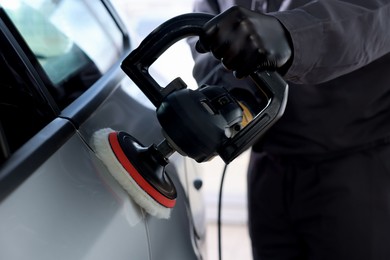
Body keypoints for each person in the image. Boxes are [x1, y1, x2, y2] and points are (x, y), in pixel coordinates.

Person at [187, 1, 390, 259]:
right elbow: (208, 15)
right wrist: (228, 88)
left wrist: (293, 34)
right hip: (269, 164)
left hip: (355, 165)